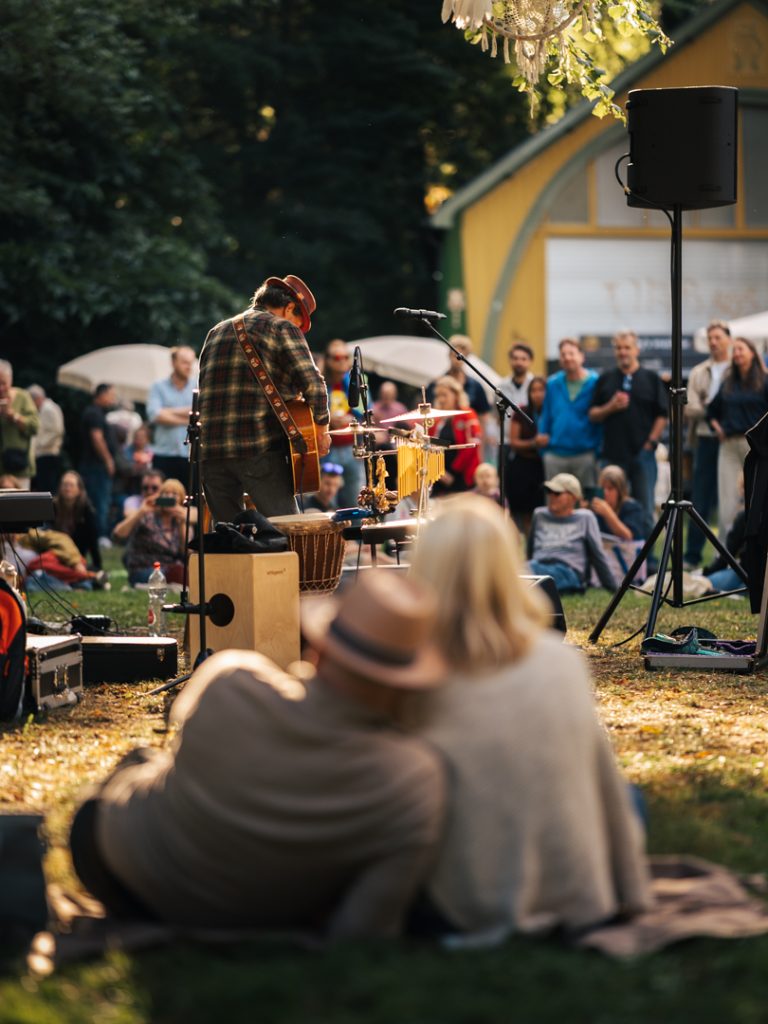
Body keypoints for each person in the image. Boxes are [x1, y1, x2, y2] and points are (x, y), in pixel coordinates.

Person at [69, 570, 447, 938]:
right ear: (405, 687)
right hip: (260, 914)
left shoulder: (231, 680)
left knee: (142, 763)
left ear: (317, 651)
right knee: (145, 761)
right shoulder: (414, 780)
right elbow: (364, 927)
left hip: (123, 871)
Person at [407, 495, 649, 940]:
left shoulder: (410, 671)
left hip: (462, 896)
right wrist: (625, 884)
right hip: (576, 885)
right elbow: (603, 786)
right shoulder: (561, 660)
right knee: (631, 798)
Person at [198, 274, 330, 524]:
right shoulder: (281, 327)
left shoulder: (215, 331)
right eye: (297, 320)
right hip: (258, 448)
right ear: (289, 307)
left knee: (230, 540)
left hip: (211, 452)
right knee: (287, 532)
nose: (297, 327)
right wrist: (321, 432)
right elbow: (313, 384)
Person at [588, 330, 668, 538]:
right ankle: (610, 555)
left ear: (636, 350)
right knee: (608, 507)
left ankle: (647, 561)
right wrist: (611, 407)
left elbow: (663, 414)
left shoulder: (651, 379)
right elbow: (593, 414)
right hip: (612, 455)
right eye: (619, 348)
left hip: (643, 455)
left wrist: (651, 442)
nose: (623, 352)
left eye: (627, 347)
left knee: (645, 507)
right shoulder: (606, 379)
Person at [707, 336, 768, 538]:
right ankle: (725, 554)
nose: (737, 353)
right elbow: (711, 411)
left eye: (741, 349)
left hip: (758, 448)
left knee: (757, 500)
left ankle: (753, 553)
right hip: (730, 446)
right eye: (735, 350)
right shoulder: (728, 383)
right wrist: (718, 428)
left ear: (752, 352)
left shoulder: (764, 380)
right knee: (728, 502)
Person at [683, 320, 732, 567]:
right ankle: (692, 556)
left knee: (730, 498)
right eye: (710, 338)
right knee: (700, 500)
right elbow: (690, 409)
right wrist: (713, 410)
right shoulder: (699, 371)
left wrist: (709, 405)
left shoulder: (739, 367)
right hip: (704, 438)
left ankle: (726, 556)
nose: (713, 342)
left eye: (718, 337)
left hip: (733, 440)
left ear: (728, 339)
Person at [527, 472, 617, 593]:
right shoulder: (539, 514)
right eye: (549, 491)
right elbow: (530, 550)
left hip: (568, 570)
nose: (552, 496)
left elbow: (598, 555)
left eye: (557, 493)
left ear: (574, 497)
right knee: (516, 570)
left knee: (525, 574)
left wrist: (614, 588)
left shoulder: (585, 518)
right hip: (536, 565)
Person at [537, 338, 601, 490]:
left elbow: (600, 419)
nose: (567, 357)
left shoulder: (595, 382)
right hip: (555, 454)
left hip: (585, 455)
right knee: (554, 503)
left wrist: (597, 451)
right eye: (563, 354)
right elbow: (546, 414)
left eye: (571, 353)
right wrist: (543, 448)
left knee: (585, 502)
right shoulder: (552, 383)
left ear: (581, 356)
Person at [112, 477, 188, 585]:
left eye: (174, 494)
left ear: (181, 499)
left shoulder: (180, 522)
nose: (169, 497)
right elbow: (117, 535)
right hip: (143, 569)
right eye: (166, 494)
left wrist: (183, 523)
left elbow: (187, 553)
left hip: (171, 569)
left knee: (183, 572)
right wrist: (141, 512)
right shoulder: (148, 516)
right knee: (176, 573)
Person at [323, 338, 366, 509]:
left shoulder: (358, 380)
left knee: (355, 501)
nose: (341, 361)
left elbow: (365, 413)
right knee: (327, 502)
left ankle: (355, 536)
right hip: (328, 447)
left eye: (345, 357)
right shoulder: (320, 383)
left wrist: (353, 420)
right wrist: (327, 419)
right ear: (327, 360)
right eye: (336, 357)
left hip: (352, 447)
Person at [146, 346, 197, 483]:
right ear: (173, 362)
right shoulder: (158, 386)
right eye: (184, 362)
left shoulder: (197, 386)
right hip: (164, 455)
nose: (189, 367)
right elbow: (155, 415)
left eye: (191, 363)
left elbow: (201, 414)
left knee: (190, 501)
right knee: (163, 500)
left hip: (190, 456)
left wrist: (167, 411)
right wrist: (187, 418)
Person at [505, 375, 547, 534]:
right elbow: (514, 442)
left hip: (541, 466)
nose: (538, 394)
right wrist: (533, 443)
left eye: (541, 390)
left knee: (536, 510)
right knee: (519, 512)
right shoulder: (521, 411)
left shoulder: (551, 412)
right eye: (534, 390)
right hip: (521, 466)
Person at [429, 376, 482, 497]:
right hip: (439, 475)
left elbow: (473, 446)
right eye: (438, 395)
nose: (441, 399)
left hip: (461, 476)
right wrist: (438, 470)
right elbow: (429, 445)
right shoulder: (436, 419)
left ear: (456, 395)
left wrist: (452, 471)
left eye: (445, 395)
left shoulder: (467, 415)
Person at [79, 383, 119, 543]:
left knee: (98, 500)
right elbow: (97, 438)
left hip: (93, 465)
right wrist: (108, 460)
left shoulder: (96, 413)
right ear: (101, 394)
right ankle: (100, 536)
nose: (113, 398)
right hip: (95, 466)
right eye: (111, 394)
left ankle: (96, 535)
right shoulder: (94, 413)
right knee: (99, 501)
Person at [53, 470, 103, 572]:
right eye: (65, 485)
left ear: (79, 490)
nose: (67, 488)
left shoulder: (87, 511)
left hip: (77, 559)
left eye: (71, 485)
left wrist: (97, 565)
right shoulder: (52, 507)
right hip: (55, 555)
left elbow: (93, 542)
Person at [0, 360, 39, 489]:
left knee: (21, 506)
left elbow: (35, 427)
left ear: (10, 379)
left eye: (3, 383)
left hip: (19, 467)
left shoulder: (23, 397)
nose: (0, 388)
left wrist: (14, 416)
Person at [590, 465, 646, 542]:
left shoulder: (632, 507)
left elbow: (628, 536)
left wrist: (607, 513)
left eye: (610, 488)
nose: (605, 492)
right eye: (603, 488)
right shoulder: (596, 509)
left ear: (620, 491)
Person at [28, 384, 65, 493]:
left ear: (37, 399)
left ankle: (47, 510)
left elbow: (56, 431)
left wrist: (39, 445)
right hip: (46, 454)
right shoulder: (47, 408)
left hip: (47, 454)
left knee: (47, 488)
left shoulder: (48, 409)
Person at [499, 342, 535, 409]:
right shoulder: (501, 386)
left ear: (530, 361)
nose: (519, 362)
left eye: (523, 359)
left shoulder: (536, 387)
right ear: (510, 360)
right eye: (515, 358)